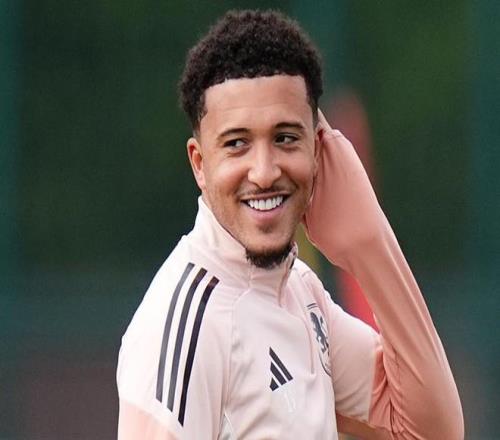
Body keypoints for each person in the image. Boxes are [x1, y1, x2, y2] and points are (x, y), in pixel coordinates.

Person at [117, 10, 463, 439]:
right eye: (237, 144)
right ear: (200, 164)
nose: (264, 172)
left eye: (285, 138)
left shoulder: (300, 292)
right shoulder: (188, 327)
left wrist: (369, 244)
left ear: (317, 151)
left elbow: (432, 431)